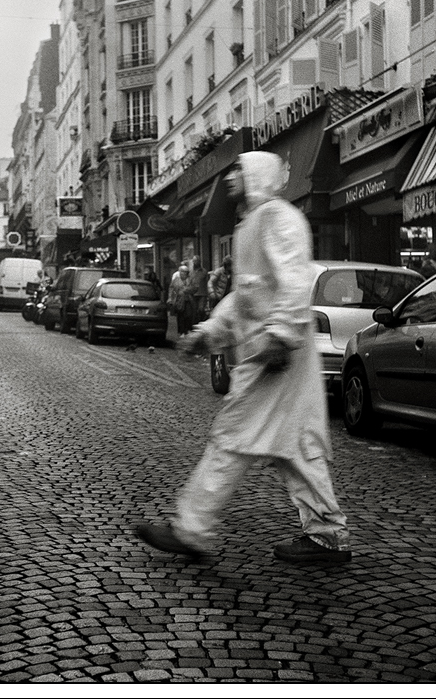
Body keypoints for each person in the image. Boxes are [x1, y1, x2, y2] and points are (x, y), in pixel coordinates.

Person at [134, 152, 352, 564]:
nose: (231, 176)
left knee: (233, 438)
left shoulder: (278, 218)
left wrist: (280, 336)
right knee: (296, 445)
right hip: (274, 353)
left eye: (238, 169)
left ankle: (192, 529)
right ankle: (327, 534)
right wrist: (209, 332)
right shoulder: (253, 224)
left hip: (275, 356)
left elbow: (294, 280)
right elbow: (246, 296)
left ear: (257, 175)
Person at [167, 264, 194, 336]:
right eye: (183, 272)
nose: (185, 273)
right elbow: (172, 289)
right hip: (179, 300)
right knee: (181, 315)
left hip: (188, 299)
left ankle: (187, 330)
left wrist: (187, 290)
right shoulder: (176, 280)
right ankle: (182, 331)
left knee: (188, 315)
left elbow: (194, 288)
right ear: (180, 272)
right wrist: (171, 298)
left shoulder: (190, 280)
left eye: (186, 272)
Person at [189, 255, 209, 323]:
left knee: (201, 309)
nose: (195, 262)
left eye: (197, 261)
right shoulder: (191, 272)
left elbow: (207, 282)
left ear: (200, 262)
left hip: (202, 293)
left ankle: (201, 322)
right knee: (194, 310)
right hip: (193, 294)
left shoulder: (204, 271)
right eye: (194, 261)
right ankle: (195, 324)